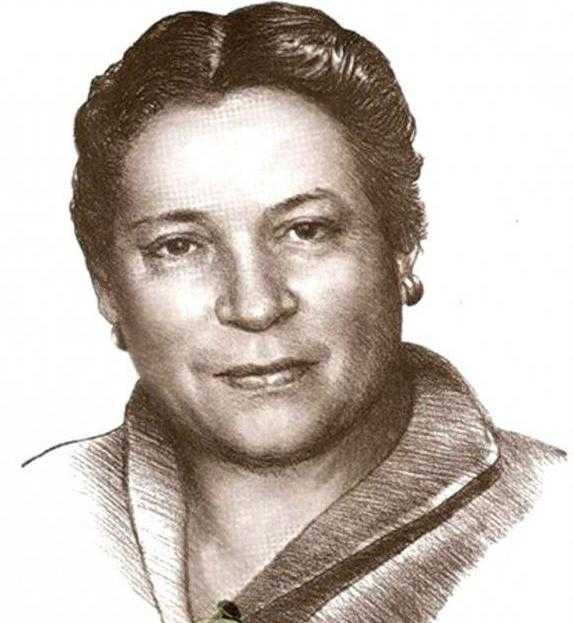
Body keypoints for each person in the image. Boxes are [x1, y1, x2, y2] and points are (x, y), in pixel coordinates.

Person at [21, 3, 566, 622]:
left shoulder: (553, 526)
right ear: (107, 287)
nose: (255, 305)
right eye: (179, 246)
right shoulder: (30, 520)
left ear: (402, 246)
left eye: (306, 230)